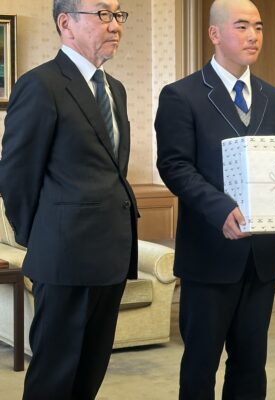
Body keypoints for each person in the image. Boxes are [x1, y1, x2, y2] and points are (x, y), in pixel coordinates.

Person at [0, 0, 137, 399]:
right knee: (53, 380)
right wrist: (44, 238)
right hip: (64, 259)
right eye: (103, 14)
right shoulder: (40, 85)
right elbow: (17, 177)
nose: (115, 25)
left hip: (110, 258)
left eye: (118, 15)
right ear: (66, 23)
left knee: (89, 375)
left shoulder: (115, 89)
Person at [154, 0, 275, 398]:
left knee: (251, 366)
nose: (253, 36)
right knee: (201, 366)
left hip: (261, 258)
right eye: (242, 26)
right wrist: (220, 209)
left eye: (258, 27)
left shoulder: (273, 97)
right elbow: (174, 166)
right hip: (208, 255)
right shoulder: (182, 95)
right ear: (214, 34)